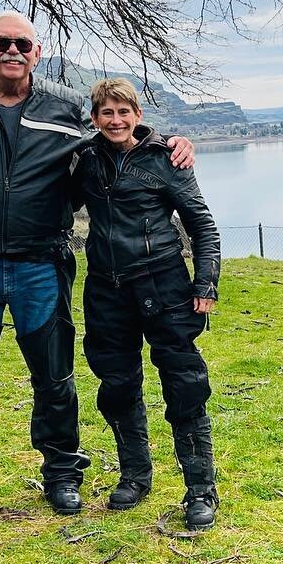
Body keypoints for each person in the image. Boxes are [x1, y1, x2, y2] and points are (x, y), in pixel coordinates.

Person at [0, 14, 194, 522]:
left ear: (36, 54)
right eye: (3, 43)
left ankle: (62, 474)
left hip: (40, 260)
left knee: (53, 374)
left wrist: (168, 142)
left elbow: (116, 133)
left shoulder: (62, 108)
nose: (12, 51)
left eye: (23, 44)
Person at [74, 78, 222, 530]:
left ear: (137, 115)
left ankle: (200, 489)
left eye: (124, 112)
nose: (115, 121)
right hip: (106, 289)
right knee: (117, 384)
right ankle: (135, 476)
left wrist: (206, 285)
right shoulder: (83, 160)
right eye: (106, 113)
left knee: (184, 383)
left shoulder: (167, 159)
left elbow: (202, 226)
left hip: (165, 286)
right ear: (95, 118)